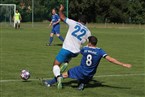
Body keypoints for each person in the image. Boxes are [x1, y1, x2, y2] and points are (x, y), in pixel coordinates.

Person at [43, 36, 132, 90]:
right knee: (86, 77)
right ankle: (82, 84)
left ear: (89, 42)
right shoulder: (100, 51)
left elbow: (75, 52)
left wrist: (66, 61)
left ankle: (49, 82)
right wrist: (123, 64)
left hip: (80, 70)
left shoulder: (85, 49)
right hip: (90, 73)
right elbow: (110, 59)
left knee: (64, 74)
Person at [50, 4, 91, 89]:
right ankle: (66, 62)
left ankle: (58, 77)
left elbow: (62, 17)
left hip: (66, 49)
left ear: (79, 20)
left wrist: (61, 10)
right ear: (85, 22)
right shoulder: (88, 31)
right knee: (70, 54)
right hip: (76, 52)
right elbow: (90, 43)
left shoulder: (74, 23)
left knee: (55, 65)